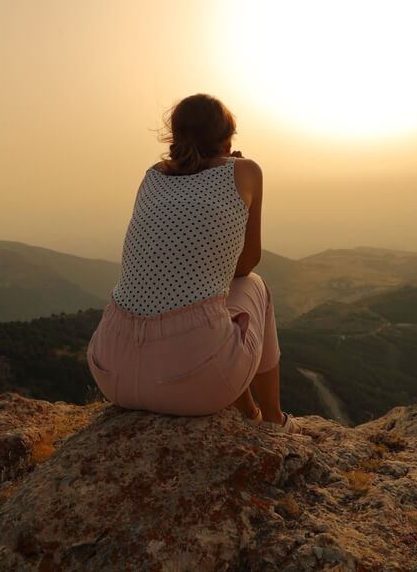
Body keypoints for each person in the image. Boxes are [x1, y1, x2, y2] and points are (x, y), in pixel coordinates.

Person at [86, 93, 301, 434]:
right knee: (254, 285)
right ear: (228, 139)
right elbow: (246, 263)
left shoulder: (152, 176)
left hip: (112, 373)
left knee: (206, 305)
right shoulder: (246, 171)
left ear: (175, 137)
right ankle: (273, 419)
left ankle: (248, 413)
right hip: (196, 383)